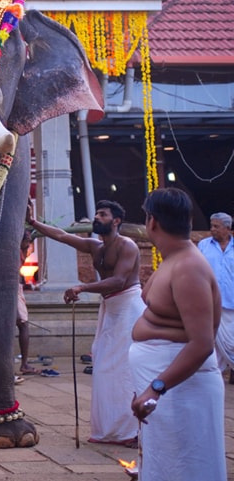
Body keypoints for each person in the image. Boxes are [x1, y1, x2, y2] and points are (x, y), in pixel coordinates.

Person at [26, 199, 143, 446]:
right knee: (103, 366)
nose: (96, 218)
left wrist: (82, 286)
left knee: (123, 369)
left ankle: (133, 431)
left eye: (102, 214)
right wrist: (33, 222)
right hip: (109, 308)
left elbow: (120, 280)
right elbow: (61, 235)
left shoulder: (127, 246)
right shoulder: (95, 246)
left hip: (129, 307)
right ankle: (111, 430)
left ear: (116, 221)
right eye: (97, 214)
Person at [130, 188, 225, 481]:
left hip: (180, 389)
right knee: (165, 465)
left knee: (187, 467)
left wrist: (156, 387)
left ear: (152, 222)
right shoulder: (172, 260)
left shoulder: (188, 267)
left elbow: (202, 343)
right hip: (167, 389)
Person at [197, 211, 234, 382]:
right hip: (209, 303)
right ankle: (214, 378)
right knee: (212, 344)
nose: (212, 229)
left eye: (216, 226)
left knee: (231, 344)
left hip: (232, 305)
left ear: (228, 229)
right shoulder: (203, 246)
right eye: (211, 226)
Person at [16, 230, 38, 380]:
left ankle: (24, 363)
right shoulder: (15, 251)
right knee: (23, 324)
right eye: (28, 239)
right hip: (12, 289)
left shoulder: (22, 251)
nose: (29, 242)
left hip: (15, 287)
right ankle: (24, 364)